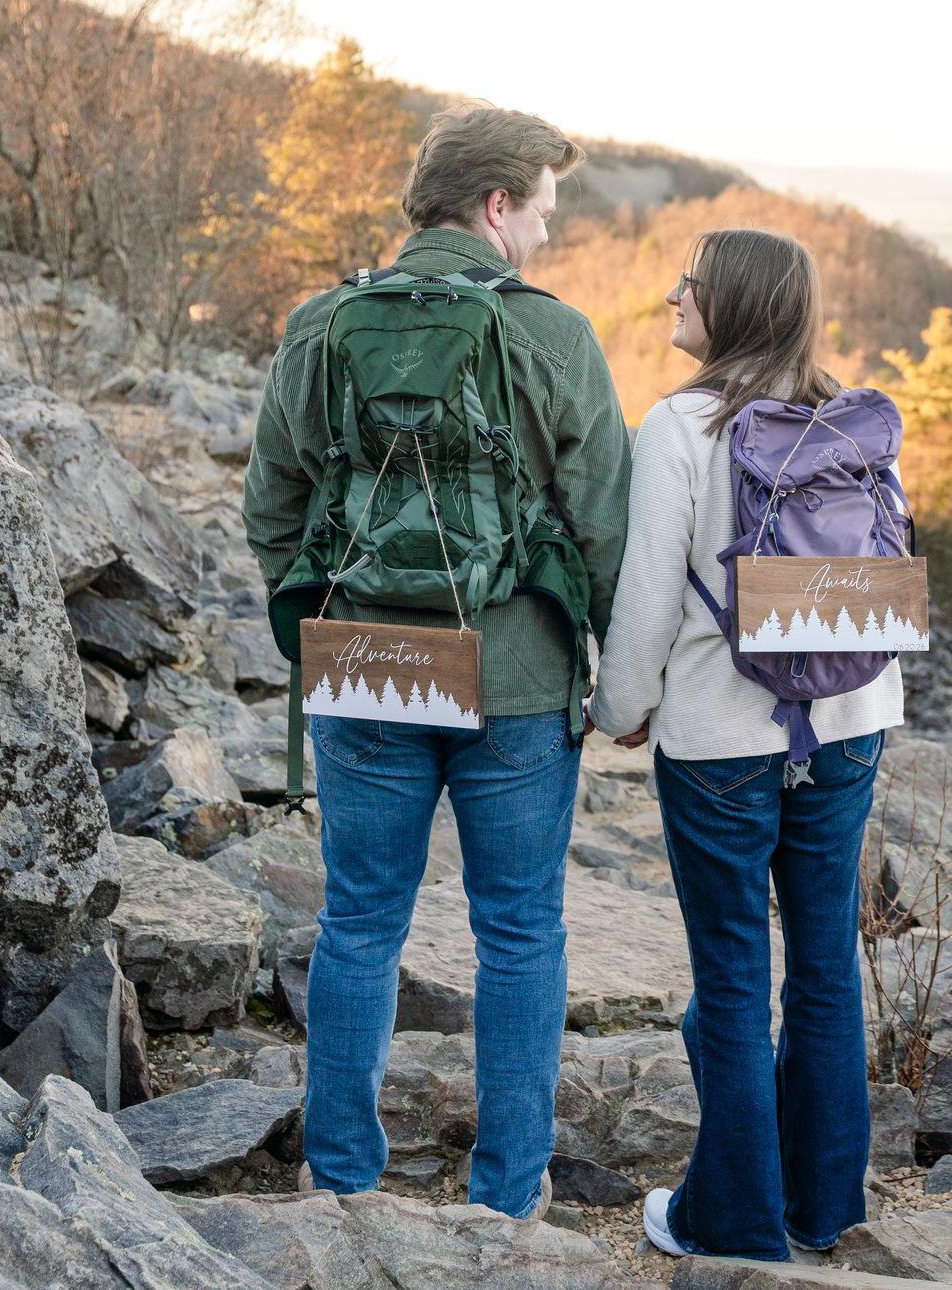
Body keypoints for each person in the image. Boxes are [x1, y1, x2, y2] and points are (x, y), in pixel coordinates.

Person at [243, 105, 631, 1218]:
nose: (548, 238)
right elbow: (607, 519)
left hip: (364, 668)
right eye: (544, 212)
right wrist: (618, 676)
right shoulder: (553, 335)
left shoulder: (322, 324)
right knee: (520, 929)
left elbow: (271, 503)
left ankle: (344, 1179)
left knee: (361, 920)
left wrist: (321, 615)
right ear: (497, 205)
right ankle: (509, 1194)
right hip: (514, 679)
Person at [587, 227, 905, 1262]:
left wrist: (621, 707)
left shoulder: (681, 426)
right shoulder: (851, 418)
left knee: (730, 974)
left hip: (721, 737)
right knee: (823, 966)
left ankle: (732, 1222)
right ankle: (823, 1208)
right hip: (852, 719)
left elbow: (645, 597)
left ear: (732, 304)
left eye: (689, 284)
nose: (670, 297)